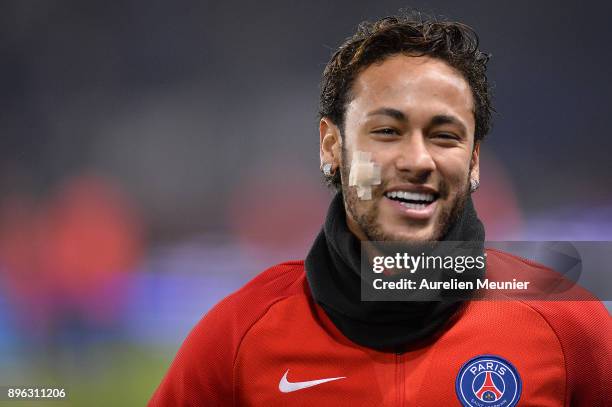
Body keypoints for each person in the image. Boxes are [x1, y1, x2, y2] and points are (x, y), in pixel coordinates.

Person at [148, 12, 611, 406]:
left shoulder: (569, 324)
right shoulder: (238, 336)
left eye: (444, 135)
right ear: (333, 146)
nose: (416, 161)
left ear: (473, 163)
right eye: (387, 132)